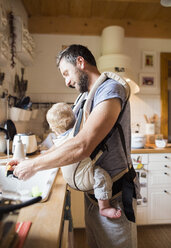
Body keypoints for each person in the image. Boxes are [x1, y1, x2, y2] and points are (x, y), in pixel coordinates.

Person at [8, 44, 138, 248]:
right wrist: (30, 161)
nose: (67, 81)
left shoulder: (110, 90)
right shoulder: (83, 98)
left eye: (66, 73)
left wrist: (34, 167)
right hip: (93, 196)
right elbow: (67, 142)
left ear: (80, 62)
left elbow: (82, 145)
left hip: (115, 197)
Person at [46, 102, 121, 219]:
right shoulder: (75, 135)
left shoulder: (57, 140)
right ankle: (104, 207)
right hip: (83, 179)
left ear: (53, 128)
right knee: (102, 177)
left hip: (70, 179)